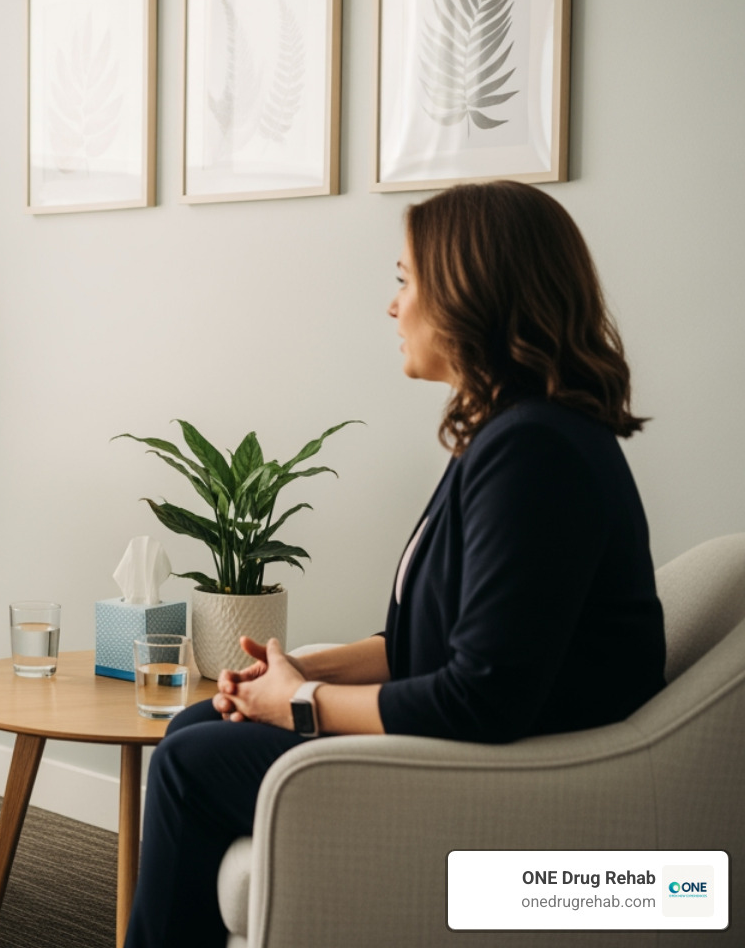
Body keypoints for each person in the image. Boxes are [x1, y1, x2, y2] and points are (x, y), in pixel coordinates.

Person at [124, 180, 665, 947]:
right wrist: (292, 668)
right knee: (191, 723)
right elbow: (435, 645)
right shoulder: (510, 434)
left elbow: (482, 697)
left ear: (469, 291)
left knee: (189, 762)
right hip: (481, 750)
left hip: (505, 780)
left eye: (406, 279)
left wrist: (300, 701)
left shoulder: (535, 450)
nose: (392, 305)